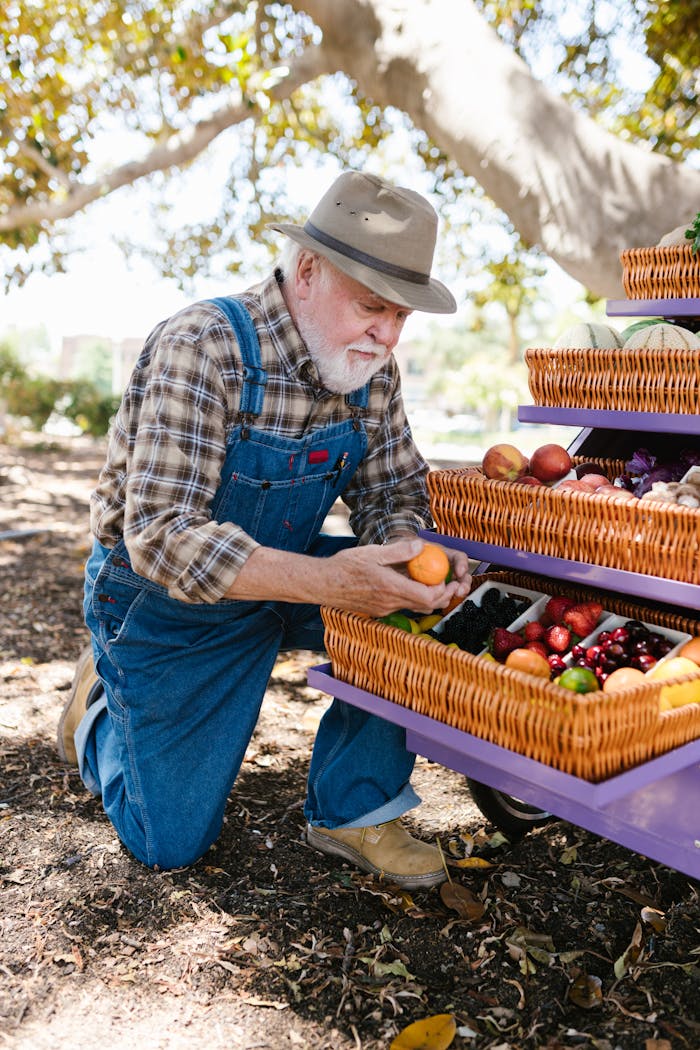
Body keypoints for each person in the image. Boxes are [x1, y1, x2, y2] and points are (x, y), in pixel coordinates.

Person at [57, 170, 473, 888]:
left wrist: (408, 555)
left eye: (402, 315)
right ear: (307, 270)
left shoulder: (375, 371)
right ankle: (98, 712)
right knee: (169, 843)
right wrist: (330, 582)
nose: (388, 332)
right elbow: (158, 536)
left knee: (419, 619)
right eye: (374, 306)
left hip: (288, 576)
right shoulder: (203, 346)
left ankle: (354, 810)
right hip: (167, 603)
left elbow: (395, 488)